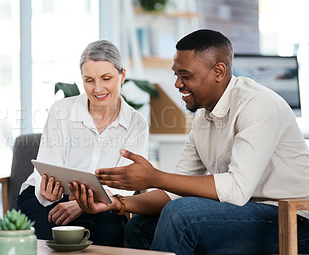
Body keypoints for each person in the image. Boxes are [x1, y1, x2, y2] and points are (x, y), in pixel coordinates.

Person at [69, 29, 309, 254]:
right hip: (244, 213)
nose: (177, 84)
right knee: (140, 226)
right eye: (176, 74)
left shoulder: (258, 104)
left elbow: (236, 189)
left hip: (290, 219)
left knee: (181, 215)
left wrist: (153, 177)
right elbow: (174, 193)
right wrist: (116, 202)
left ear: (219, 72)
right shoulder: (204, 117)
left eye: (186, 76)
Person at [16, 39, 149, 247]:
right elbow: (48, 168)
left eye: (106, 78)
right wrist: (50, 195)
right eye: (89, 80)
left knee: (110, 228)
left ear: (122, 75)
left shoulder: (136, 123)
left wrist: (82, 204)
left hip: (104, 202)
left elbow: (126, 183)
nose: (98, 89)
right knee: (44, 236)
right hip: (49, 197)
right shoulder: (61, 111)